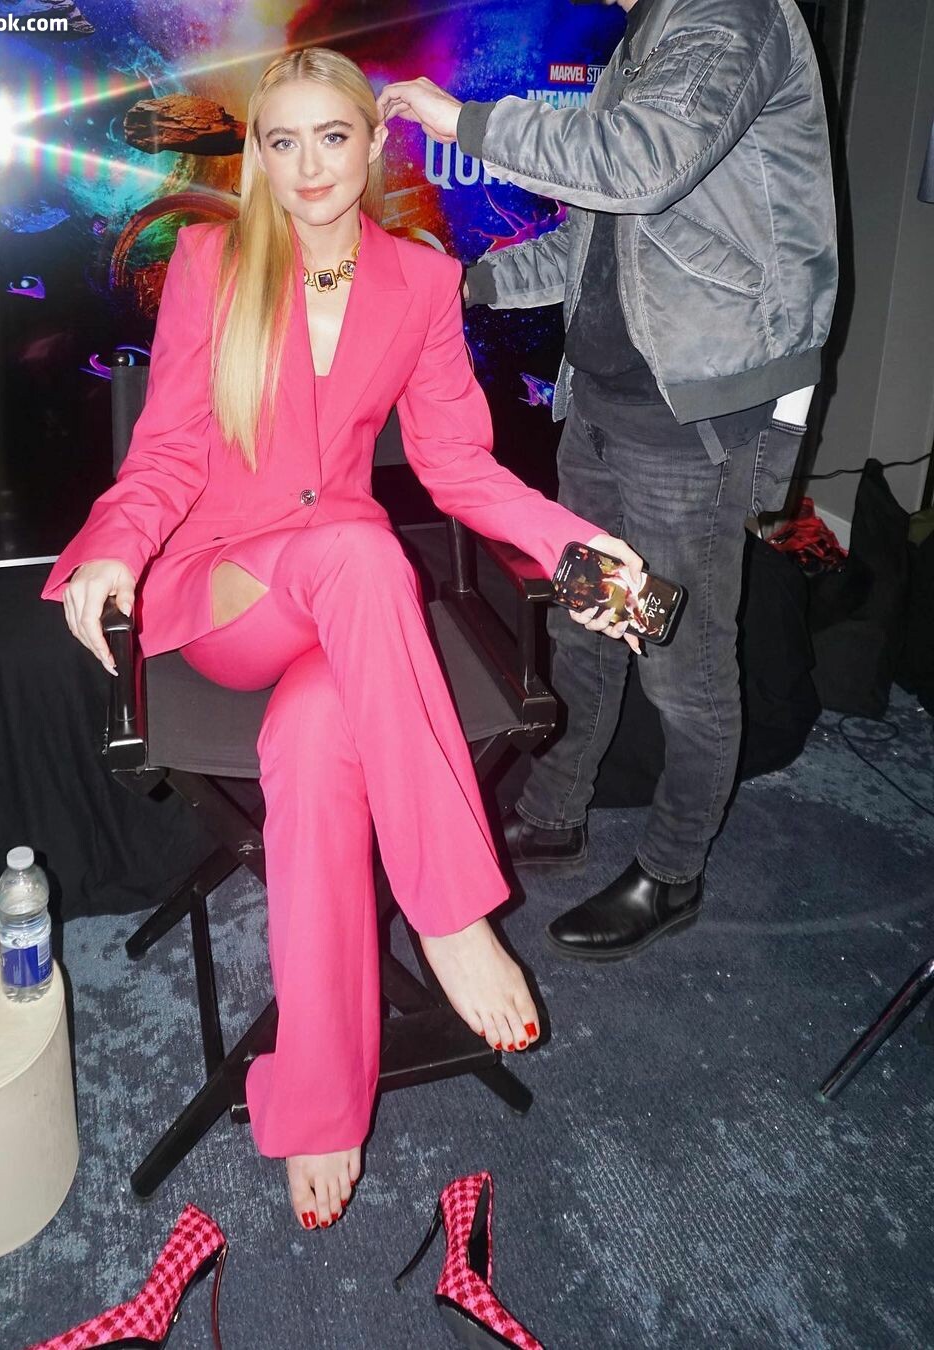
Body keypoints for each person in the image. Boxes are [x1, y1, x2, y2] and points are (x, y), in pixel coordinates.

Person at [43, 47, 642, 1229]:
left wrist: (576, 546)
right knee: (365, 553)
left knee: (320, 745)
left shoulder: (422, 281)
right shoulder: (212, 262)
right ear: (257, 158)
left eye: (333, 136)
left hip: (344, 616)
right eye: (284, 141)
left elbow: (459, 466)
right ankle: (451, 912)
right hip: (231, 592)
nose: (310, 165)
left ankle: (319, 1095)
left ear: (373, 145)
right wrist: (114, 545)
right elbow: (167, 450)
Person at [379, 0, 838, 961]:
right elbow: (593, 241)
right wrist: (459, 282)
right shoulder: (650, 32)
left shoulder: (728, 13)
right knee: (586, 626)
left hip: (688, 424)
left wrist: (460, 120)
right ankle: (556, 813)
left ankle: (673, 871)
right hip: (603, 407)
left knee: (681, 662)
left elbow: (637, 166)